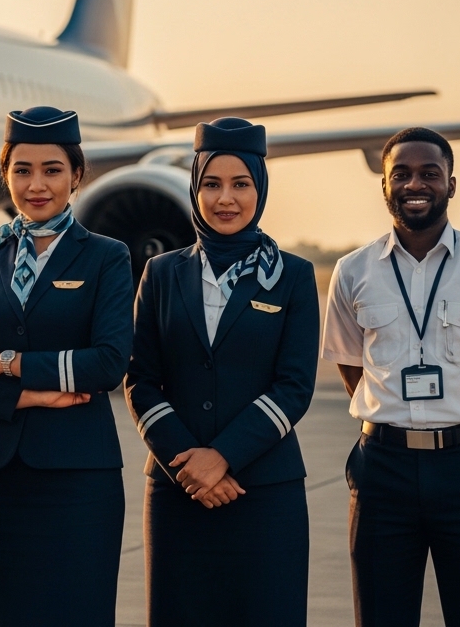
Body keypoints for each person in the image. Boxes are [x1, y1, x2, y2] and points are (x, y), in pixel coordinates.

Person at [322, 127, 460, 627]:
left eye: (430, 173)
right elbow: (349, 362)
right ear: (384, 186)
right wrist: (394, 420)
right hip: (383, 471)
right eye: (400, 173)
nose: (414, 183)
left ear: (451, 184)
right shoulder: (352, 271)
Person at [0, 106, 134, 625]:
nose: (36, 184)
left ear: (76, 176)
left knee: (80, 613)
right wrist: (28, 394)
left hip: (79, 476)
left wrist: (6, 363)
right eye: (22, 170)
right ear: (5, 175)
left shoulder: (106, 257)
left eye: (52, 170)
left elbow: (109, 362)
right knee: (5, 614)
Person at [123, 116, 319, 627]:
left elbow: (295, 385)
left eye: (240, 184)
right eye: (211, 184)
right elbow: (140, 379)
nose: (224, 198)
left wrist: (224, 458)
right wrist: (188, 465)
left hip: (264, 493)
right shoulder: (162, 273)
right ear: (194, 188)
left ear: (262, 188)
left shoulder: (293, 277)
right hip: (177, 490)